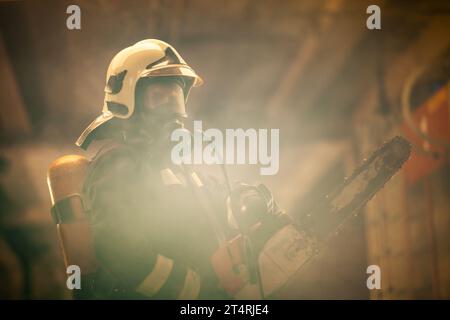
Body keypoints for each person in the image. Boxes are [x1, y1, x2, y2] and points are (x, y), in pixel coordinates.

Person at [76, 39, 287, 299]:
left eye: (174, 97)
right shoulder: (117, 164)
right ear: (127, 103)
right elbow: (116, 245)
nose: (171, 111)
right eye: (158, 97)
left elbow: (217, 200)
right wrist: (198, 290)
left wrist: (248, 198)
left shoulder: (179, 168)